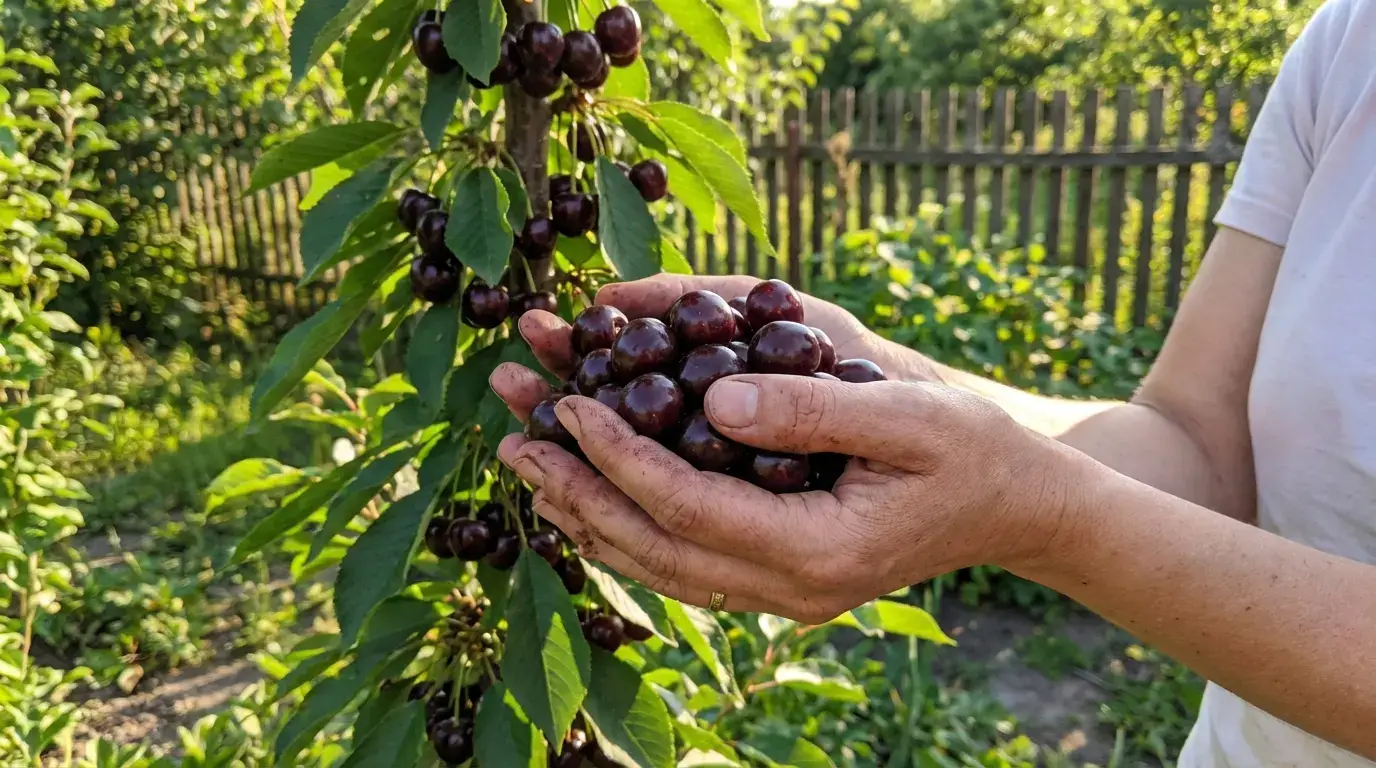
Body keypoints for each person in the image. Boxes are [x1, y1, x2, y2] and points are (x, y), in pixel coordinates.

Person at [488, 0, 1376, 762]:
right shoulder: (1346, 44)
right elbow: (1194, 442)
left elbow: (1058, 499)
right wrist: (891, 389)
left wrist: (1039, 515)